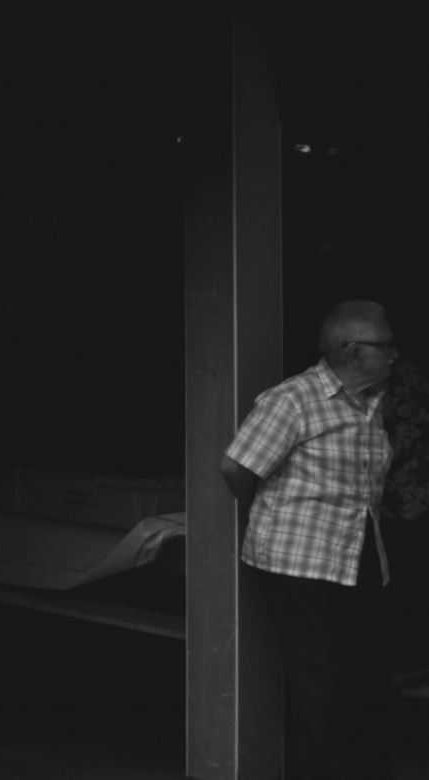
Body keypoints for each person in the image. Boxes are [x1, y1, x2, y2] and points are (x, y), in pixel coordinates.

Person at [219, 300, 398, 780]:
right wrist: (277, 515)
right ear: (353, 350)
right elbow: (236, 467)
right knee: (318, 674)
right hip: (299, 557)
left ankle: (360, 767)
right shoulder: (293, 399)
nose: (394, 354)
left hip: (356, 551)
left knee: (361, 667)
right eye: (386, 345)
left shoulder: (370, 402)